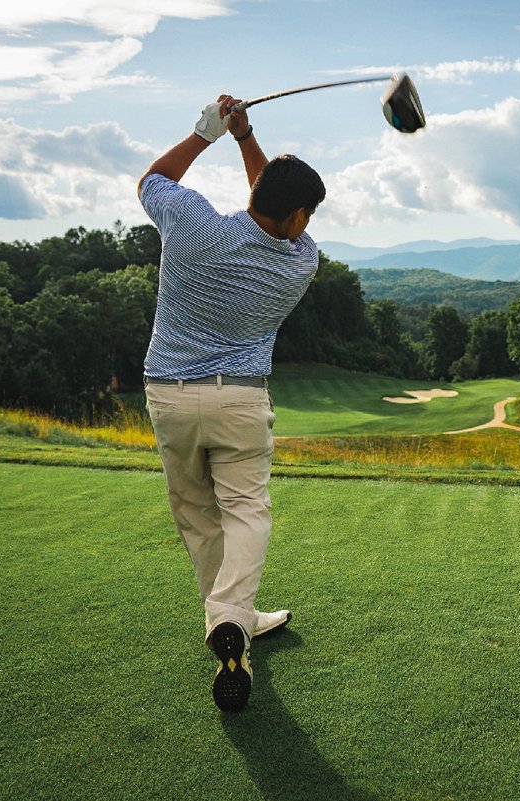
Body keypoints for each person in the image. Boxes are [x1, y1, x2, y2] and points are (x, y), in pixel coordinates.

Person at [137, 94, 325, 712]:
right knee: (246, 511)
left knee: (197, 513)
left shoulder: (191, 222)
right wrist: (248, 141)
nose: (308, 222)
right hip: (239, 399)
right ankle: (231, 616)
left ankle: (229, 620)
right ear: (297, 215)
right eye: (307, 212)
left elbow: (153, 180)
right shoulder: (300, 261)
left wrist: (209, 133)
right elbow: (274, 209)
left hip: (168, 395)